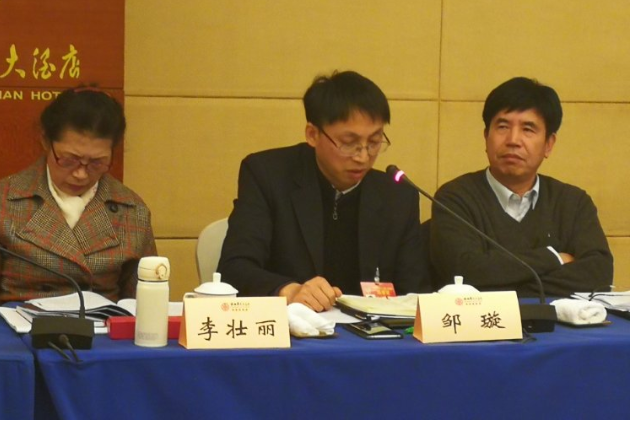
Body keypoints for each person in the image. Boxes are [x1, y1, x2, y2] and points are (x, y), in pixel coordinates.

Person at [217, 70, 431, 311]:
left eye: (374, 142)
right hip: (291, 328)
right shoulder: (268, 176)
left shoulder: (397, 196)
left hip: (371, 332)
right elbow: (234, 268)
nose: (363, 156)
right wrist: (289, 291)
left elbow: (416, 293)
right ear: (313, 134)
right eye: (348, 143)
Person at [0, 86, 157, 312]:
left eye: (97, 163)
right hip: (16, 330)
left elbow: (145, 306)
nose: (81, 174)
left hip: (101, 330)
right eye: (69, 159)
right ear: (45, 141)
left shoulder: (131, 210)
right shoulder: (1, 202)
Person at [430, 77, 613, 296]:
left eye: (528, 129)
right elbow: (464, 273)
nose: (513, 140)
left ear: (548, 144)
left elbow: (599, 274)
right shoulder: (455, 198)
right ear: (486, 136)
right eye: (503, 127)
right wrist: (554, 258)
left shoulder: (573, 203)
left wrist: (500, 282)